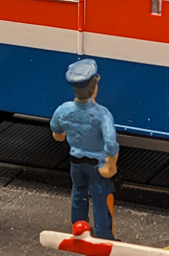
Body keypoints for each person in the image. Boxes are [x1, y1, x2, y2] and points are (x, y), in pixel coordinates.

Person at [51, 59, 120, 240]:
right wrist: (111, 164)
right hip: (97, 164)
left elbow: (57, 135)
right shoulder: (102, 114)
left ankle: (79, 230)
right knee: (100, 200)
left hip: (76, 160)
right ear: (94, 87)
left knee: (78, 193)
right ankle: (105, 238)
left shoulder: (63, 110)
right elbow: (111, 143)